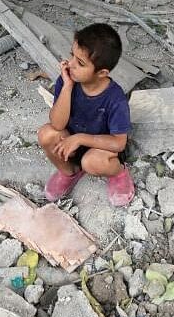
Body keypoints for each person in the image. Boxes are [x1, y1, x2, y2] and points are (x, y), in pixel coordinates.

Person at [37, 23, 135, 207]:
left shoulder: (115, 98)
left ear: (102, 73)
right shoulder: (69, 80)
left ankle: (118, 173)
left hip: (101, 149)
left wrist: (80, 138)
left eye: (80, 63)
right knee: (46, 133)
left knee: (91, 162)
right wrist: (66, 86)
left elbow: (119, 142)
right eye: (72, 55)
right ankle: (70, 172)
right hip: (71, 143)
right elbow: (57, 124)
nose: (71, 64)